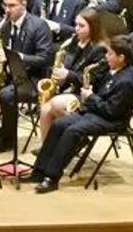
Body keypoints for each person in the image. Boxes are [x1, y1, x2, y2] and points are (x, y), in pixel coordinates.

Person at [31, 36, 133, 193]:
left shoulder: (126, 81)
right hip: (96, 113)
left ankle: (52, 177)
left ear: (121, 58)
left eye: (109, 54)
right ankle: (39, 171)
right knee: (59, 123)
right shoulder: (113, 72)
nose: (106, 57)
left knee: (72, 131)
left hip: (112, 120)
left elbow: (112, 111)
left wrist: (90, 97)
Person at [0, 0, 53, 153]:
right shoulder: (4, 26)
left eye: (12, 6)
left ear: (24, 4)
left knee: (6, 95)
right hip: (12, 76)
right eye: (5, 5)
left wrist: (18, 57)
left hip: (33, 79)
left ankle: (8, 141)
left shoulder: (39, 26)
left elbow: (44, 59)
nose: (7, 10)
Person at [34, 8, 109, 142]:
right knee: (45, 109)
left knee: (56, 103)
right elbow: (69, 65)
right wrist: (60, 72)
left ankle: (79, 137)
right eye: (76, 25)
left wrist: (68, 75)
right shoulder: (75, 41)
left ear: (93, 27)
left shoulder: (100, 49)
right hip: (71, 89)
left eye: (81, 26)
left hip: (89, 93)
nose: (76, 29)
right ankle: (47, 148)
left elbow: (92, 79)